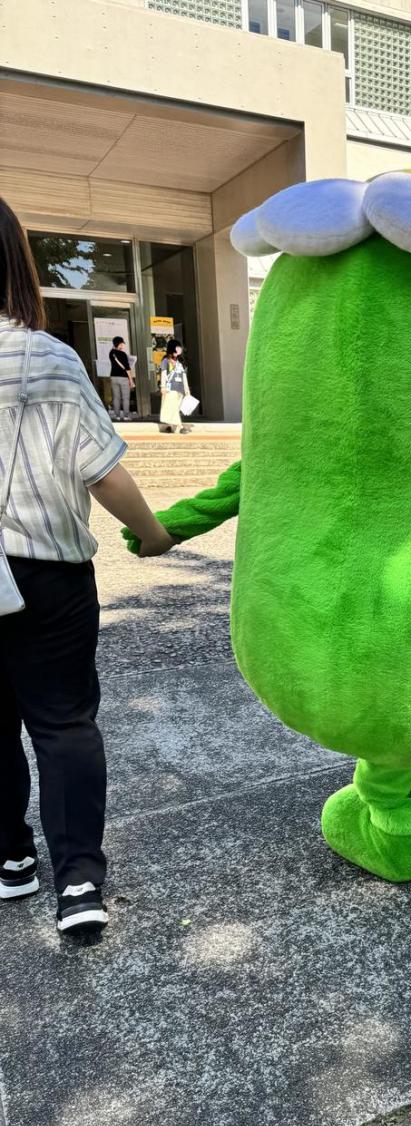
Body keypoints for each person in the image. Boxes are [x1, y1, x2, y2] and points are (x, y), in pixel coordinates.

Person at [0, 196, 174, 934]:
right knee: (64, 723)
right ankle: (77, 883)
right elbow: (101, 472)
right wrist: (153, 534)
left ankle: (12, 859)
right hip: (48, 572)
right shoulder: (48, 357)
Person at [159, 337, 192, 435]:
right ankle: (180, 427)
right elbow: (163, 374)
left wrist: (187, 389)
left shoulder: (180, 362)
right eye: (177, 348)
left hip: (180, 389)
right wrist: (162, 386)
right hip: (170, 389)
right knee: (172, 407)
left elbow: (184, 376)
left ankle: (170, 426)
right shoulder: (166, 361)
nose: (179, 350)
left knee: (175, 408)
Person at [108, 334, 134, 422]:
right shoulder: (123, 354)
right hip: (123, 378)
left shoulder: (111, 353)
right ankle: (126, 416)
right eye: (122, 344)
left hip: (113, 377)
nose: (123, 346)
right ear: (118, 344)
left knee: (116, 397)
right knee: (125, 398)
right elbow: (127, 368)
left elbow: (113, 351)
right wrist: (131, 380)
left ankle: (117, 416)